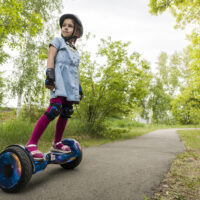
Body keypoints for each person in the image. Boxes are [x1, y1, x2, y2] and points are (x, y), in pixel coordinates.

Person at [25, 14, 84, 161]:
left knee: (66, 111)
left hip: (71, 85)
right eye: (64, 25)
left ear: (76, 31)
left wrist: (79, 88)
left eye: (70, 25)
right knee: (54, 109)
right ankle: (31, 143)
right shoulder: (57, 41)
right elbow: (50, 57)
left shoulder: (75, 51)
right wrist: (50, 75)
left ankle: (57, 143)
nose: (65, 27)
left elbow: (76, 70)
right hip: (58, 81)